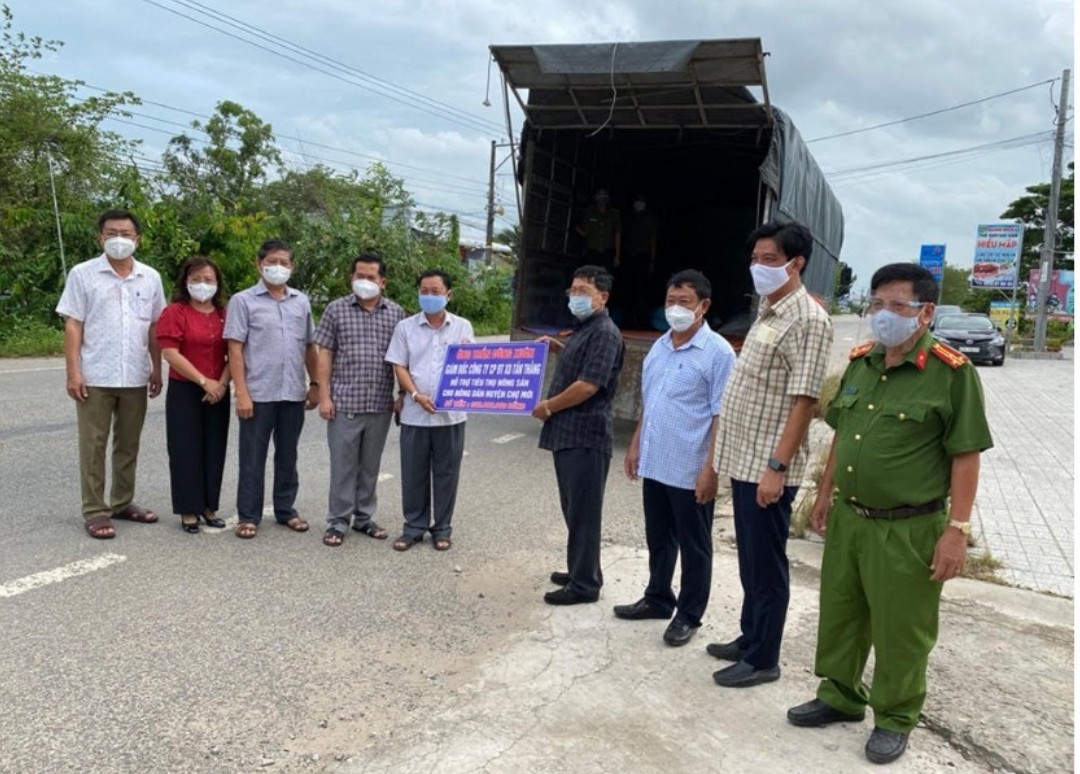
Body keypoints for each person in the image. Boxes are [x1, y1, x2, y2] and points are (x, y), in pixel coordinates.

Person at [786, 263, 992, 765]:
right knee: (842, 612)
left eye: (896, 306)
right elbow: (842, 433)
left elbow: (965, 455)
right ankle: (840, 696)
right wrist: (824, 493)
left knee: (902, 629)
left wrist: (956, 531)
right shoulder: (862, 362)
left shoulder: (951, 374)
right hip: (851, 518)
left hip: (909, 526)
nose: (883, 315)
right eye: (876, 304)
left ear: (925, 312)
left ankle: (896, 717)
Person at [708, 221, 833, 687]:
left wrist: (777, 468)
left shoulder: (808, 319)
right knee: (750, 559)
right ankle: (749, 636)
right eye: (755, 259)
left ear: (795, 264)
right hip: (745, 460)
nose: (757, 267)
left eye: (769, 259)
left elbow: (804, 401)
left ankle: (764, 658)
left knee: (767, 564)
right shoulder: (769, 309)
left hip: (768, 465)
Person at [618, 270, 735, 645]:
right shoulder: (661, 346)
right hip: (656, 461)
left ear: (704, 306)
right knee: (659, 537)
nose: (675, 309)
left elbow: (721, 415)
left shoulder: (717, 353)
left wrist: (711, 470)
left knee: (694, 544)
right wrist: (636, 445)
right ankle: (657, 598)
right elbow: (650, 402)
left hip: (690, 468)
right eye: (671, 301)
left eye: (684, 302)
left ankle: (689, 614)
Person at [56, 209, 166, 539]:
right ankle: (94, 510)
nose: (119, 239)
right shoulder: (83, 274)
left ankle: (122, 502)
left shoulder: (150, 277)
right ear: (100, 237)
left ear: (138, 239)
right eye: (111, 233)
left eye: (126, 234)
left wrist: (155, 368)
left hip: (134, 374)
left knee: (128, 444)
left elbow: (155, 326)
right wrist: (73, 372)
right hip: (95, 374)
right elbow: (74, 324)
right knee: (93, 445)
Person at [532, 265, 625, 605]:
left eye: (584, 291)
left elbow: (588, 385)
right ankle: (581, 570)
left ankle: (584, 585)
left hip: (585, 434)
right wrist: (557, 348)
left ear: (603, 297)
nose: (576, 297)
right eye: (573, 290)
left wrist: (549, 406)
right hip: (569, 435)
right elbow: (581, 364)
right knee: (574, 508)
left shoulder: (604, 332)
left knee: (584, 512)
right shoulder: (586, 329)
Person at [224, 239, 318, 539]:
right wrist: (241, 392)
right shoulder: (243, 300)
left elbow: (308, 346)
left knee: (288, 455)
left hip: (292, 392)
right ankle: (248, 515)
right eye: (273, 262)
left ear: (292, 267)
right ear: (259, 263)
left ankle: (285, 510)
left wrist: (314, 383)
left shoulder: (300, 301)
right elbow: (235, 349)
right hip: (258, 393)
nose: (278, 268)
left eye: (285, 263)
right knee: (253, 456)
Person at [314, 250, 406, 547]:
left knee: (370, 466)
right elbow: (325, 353)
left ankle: (364, 518)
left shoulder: (396, 313)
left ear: (383, 282)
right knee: (343, 466)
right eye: (360, 276)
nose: (365, 281)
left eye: (371, 277)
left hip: (379, 404)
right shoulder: (336, 310)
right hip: (344, 404)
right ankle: (338, 521)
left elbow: (404, 359)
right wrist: (324, 396)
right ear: (351, 277)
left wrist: (402, 394)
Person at [385, 270, 474, 552]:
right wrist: (414, 394)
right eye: (425, 290)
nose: (430, 296)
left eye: (436, 291)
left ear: (449, 295)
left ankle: (442, 528)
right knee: (414, 474)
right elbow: (399, 365)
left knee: (447, 473)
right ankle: (413, 528)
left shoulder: (462, 327)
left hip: (451, 416)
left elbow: (475, 366)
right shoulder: (405, 328)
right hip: (415, 414)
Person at [156, 257, 231, 534]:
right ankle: (189, 509)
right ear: (186, 282)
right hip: (186, 389)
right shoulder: (175, 312)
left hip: (219, 389)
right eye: (197, 279)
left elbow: (234, 352)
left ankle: (209, 506)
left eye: (209, 280)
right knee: (185, 449)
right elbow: (170, 353)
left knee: (214, 447)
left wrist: (221, 384)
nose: (203, 285)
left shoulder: (225, 314)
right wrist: (203, 381)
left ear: (217, 284)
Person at [619, 194, 659, 327]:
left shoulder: (649, 220)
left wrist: (652, 260)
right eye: (637, 202)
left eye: (641, 202)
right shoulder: (628, 218)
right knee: (628, 289)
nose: (639, 204)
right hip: (629, 256)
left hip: (643, 256)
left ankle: (642, 322)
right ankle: (627, 321)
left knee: (642, 291)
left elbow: (652, 239)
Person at [575, 189, 621, 271]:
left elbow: (617, 234)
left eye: (604, 197)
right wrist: (576, 228)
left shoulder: (614, 214)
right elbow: (585, 233)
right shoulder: (590, 212)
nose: (602, 200)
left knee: (605, 278)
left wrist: (617, 255)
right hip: (592, 252)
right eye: (599, 197)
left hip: (607, 253)